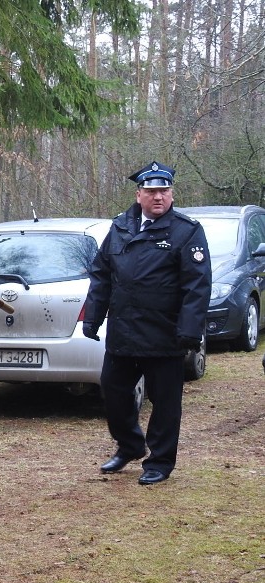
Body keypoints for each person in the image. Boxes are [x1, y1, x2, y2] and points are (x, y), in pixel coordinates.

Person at [82, 161, 211, 485]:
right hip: (124, 331)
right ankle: (129, 445)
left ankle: (161, 461)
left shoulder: (186, 230)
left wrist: (190, 330)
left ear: (171, 193)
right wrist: (92, 317)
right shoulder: (120, 227)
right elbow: (101, 275)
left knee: (166, 402)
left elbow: (197, 286)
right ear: (139, 194)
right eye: (151, 191)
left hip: (164, 333)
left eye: (164, 191)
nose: (158, 197)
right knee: (113, 392)